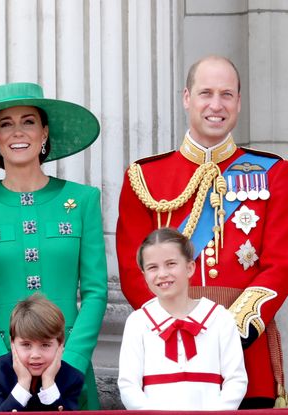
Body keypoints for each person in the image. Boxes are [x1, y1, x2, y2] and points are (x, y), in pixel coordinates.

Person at [116, 55, 288, 408]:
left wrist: (230, 332)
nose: (216, 104)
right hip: (168, 353)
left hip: (245, 352)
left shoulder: (273, 173)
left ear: (238, 102)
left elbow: (280, 264)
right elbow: (135, 270)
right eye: (205, 92)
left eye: (227, 94)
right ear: (186, 98)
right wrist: (172, 326)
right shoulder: (144, 177)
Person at [0, 82, 108, 409]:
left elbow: (96, 290)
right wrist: (2, 361)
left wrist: (71, 358)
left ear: (44, 132)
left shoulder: (84, 200)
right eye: (6, 124)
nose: (18, 132)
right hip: (4, 368)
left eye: (28, 121)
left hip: (68, 360)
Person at [118, 228, 247, 410]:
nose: (162, 273)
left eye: (171, 264)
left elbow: (236, 380)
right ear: (144, 275)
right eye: (152, 267)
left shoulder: (220, 318)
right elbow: (128, 385)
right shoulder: (138, 322)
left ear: (189, 268)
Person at [0, 294, 84, 411]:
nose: (35, 355)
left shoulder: (72, 378)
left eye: (45, 345)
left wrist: (49, 383)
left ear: (60, 344)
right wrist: (23, 384)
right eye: (26, 345)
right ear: (12, 342)